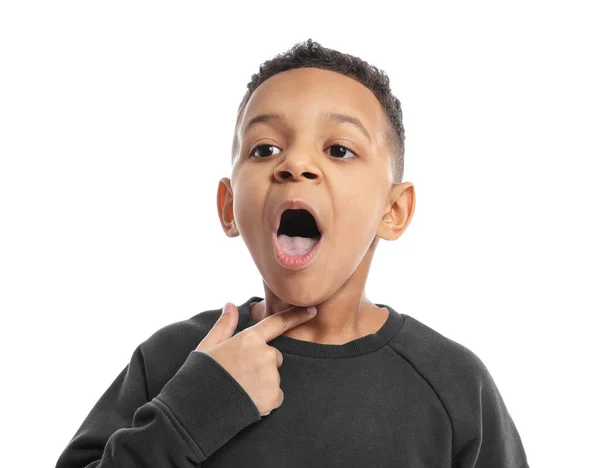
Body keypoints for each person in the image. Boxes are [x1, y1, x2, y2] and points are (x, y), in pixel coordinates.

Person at [56, 38, 530, 467]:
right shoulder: (174, 362)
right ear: (229, 207)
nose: (295, 164)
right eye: (264, 149)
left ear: (394, 210)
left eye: (340, 150)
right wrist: (190, 415)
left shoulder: (454, 386)